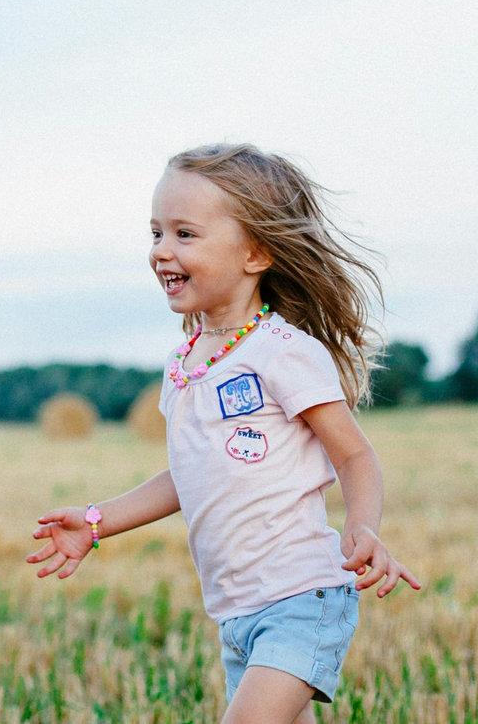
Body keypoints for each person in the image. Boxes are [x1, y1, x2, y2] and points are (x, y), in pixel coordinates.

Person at [25, 142, 421, 723]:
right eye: (155, 233)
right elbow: (188, 474)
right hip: (236, 613)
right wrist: (96, 521)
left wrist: (362, 526)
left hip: (301, 600)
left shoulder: (283, 352)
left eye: (185, 234)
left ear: (256, 253)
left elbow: (355, 455)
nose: (162, 251)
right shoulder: (185, 364)